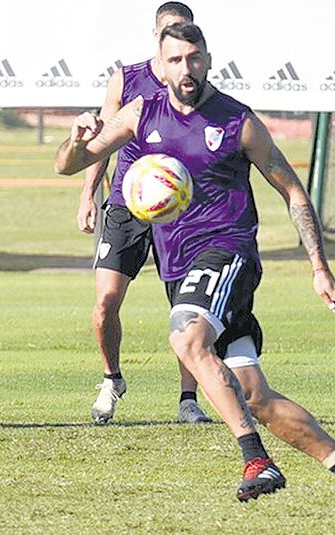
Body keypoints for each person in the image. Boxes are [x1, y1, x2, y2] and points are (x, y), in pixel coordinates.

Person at [55, 23, 335, 512]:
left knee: (186, 337)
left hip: (228, 253)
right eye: (175, 60)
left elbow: (292, 190)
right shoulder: (142, 113)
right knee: (254, 396)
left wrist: (319, 265)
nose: (186, 69)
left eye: (194, 58)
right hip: (180, 266)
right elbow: (67, 164)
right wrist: (77, 140)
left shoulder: (237, 121)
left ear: (208, 58)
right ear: (159, 65)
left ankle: (255, 460)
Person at [79, 1, 210, 425]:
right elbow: (102, 137)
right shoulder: (128, 78)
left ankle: (188, 399)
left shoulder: (195, 84)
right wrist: (87, 195)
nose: (176, 37)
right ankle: (111, 377)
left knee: (185, 308)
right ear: (156, 35)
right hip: (125, 203)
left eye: (184, 30)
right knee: (105, 302)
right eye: (169, 30)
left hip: (179, 209)